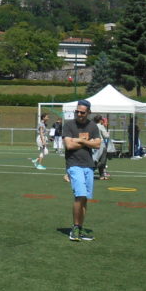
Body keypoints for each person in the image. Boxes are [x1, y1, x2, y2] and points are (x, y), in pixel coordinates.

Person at [63, 99, 101, 242]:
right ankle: (75, 227)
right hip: (74, 164)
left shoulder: (93, 126)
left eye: (82, 112)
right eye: (77, 111)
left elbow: (97, 144)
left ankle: (80, 227)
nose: (79, 114)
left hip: (88, 165)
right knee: (79, 195)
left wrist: (81, 141)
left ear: (88, 113)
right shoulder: (68, 125)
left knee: (85, 199)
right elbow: (69, 146)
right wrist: (88, 142)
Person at [92, 115, 111, 179]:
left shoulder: (93, 125)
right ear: (100, 120)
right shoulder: (100, 126)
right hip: (101, 144)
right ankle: (91, 170)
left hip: (94, 143)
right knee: (102, 161)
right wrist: (108, 133)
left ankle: (102, 175)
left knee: (96, 159)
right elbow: (106, 136)